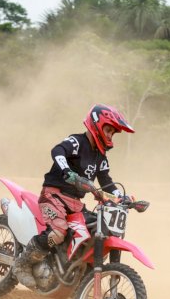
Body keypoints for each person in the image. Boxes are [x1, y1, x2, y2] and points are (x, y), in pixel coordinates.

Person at [12, 104, 135, 288]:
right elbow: (57, 151)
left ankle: (78, 280)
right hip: (53, 194)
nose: (110, 135)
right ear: (96, 125)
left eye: (112, 133)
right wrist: (68, 172)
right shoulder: (77, 142)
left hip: (75, 203)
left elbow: (107, 182)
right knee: (59, 232)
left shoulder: (100, 157)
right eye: (108, 130)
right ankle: (22, 264)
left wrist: (122, 197)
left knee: (96, 229)